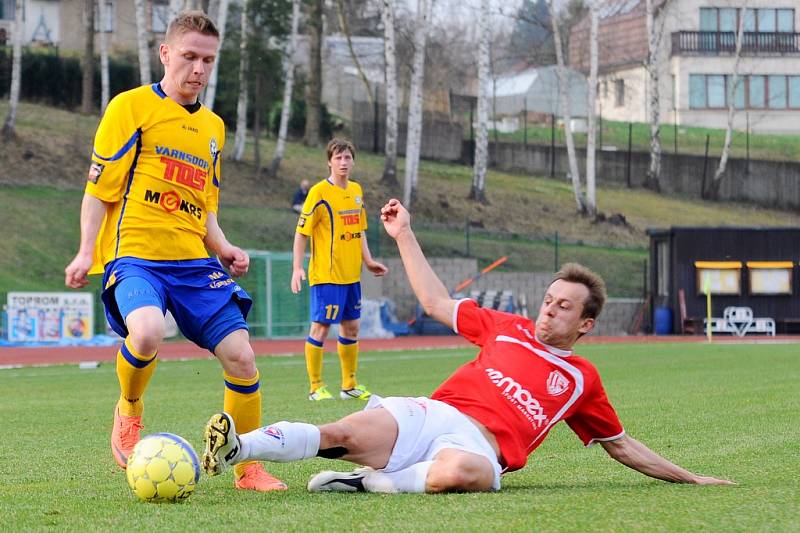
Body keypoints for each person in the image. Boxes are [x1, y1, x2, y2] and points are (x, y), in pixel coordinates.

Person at [201, 199, 734, 493]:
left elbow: (622, 445)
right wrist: (404, 233)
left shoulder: (580, 380)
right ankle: (237, 448)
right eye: (548, 300)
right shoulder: (504, 326)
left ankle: (365, 484)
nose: (548, 309)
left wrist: (690, 477)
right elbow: (434, 301)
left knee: (466, 476)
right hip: (433, 415)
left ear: (586, 325)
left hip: (480, 449)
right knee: (337, 430)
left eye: (563, 307)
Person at [63, 11, 285, 493]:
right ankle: (129, 409)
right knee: (145, 333)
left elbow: (203, 205)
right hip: (137, 256)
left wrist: (223, 246)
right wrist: (85, 253)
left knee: (242, 357)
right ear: (165, 53)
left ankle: (248, 466)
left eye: (208, 59)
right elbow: (98, 191)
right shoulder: (130, 107)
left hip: (194, 262)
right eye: (189, 56)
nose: (199, 69)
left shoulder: (213, 128)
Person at [290, 139, 388, 401]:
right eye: (338, 158)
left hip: (350, 275)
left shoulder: (356, 191)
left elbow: (360, 231)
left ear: (353, 161)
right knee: (321, 328)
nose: (343, 163)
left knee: (351, 327)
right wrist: (297, 267)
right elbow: (302, 233)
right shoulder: (319, 193)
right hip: (326, 275)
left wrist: (368, 261)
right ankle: (315, 387)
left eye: (347, 158)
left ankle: (349, 385)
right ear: (329, 162)